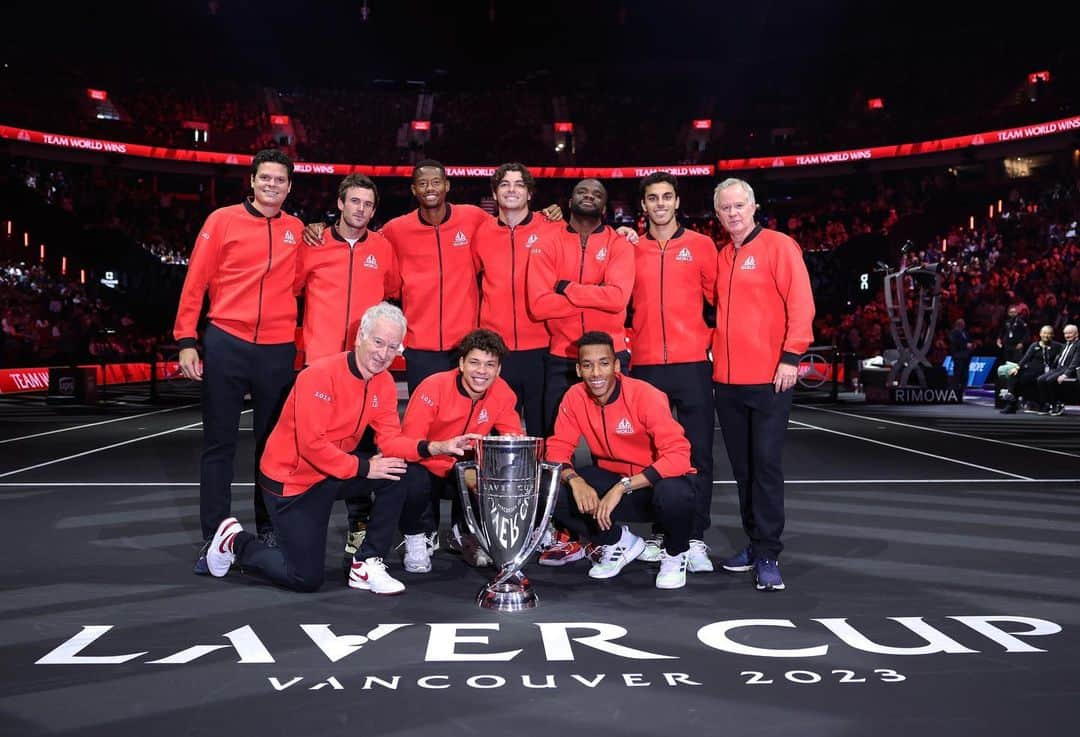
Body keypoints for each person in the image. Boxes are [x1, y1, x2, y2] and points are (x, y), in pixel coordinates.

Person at [202, 303, 475, 595]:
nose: (383, 354)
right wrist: (366, 467)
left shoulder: (382, 382)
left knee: (403, 474)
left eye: (392, 347)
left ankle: (367, 562)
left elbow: (391, 440)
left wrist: (437, 446)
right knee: (304, 578)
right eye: (378, 342)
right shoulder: (318, 376)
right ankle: (234, 541)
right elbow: (312, 446)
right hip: (292, 482)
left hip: (332, 472)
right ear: (360, 336)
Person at [174, 149, 304, 573]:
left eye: (279, 180)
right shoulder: (222, 220)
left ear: (289, 186)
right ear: (252, 180)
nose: (272, 185)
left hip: (277, 347)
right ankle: (214, 536)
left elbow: (305, 282)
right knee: (219, 444)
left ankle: (269, 530)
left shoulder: (297, 230)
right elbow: (196, 279)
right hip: (227, 341)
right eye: (265, 178)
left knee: (273, 448)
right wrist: (186, 339)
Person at [711, 177, 814, 592]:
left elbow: (801, 303)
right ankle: (754, 543)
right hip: (728, 382)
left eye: (739, 205)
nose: (733, 213)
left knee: (766, 467)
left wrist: (792, 355)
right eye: (725, 208)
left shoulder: (780, 246)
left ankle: (769, 552)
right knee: (743, 470)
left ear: (753, 207)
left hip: (770, 378)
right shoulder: (722, 255)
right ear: (718, 215)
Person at [294, 173, 396, 564]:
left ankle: (358, 525)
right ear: (339, 203)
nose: (361, 210)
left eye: (368, 204)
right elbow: (293, 289)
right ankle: (304, 519)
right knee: (316, 443)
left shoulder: (384, 249)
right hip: (319, 366)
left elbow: (391, 288)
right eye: (355, 201)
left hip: (363, 370)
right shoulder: (313, 243)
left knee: (363, 447)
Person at [544, 332, 696, 590]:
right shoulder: (574, 396)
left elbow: (680, 456)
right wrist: (576, 480)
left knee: (675, 492)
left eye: (604, 363)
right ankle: (619, 542)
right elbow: (556, 448)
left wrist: (623, 486)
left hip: (651, 486)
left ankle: (675, 553)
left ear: (616, 365)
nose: (596, 373)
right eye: (588, 365)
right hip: (613, 485)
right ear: (579, 370)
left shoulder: (645, 395)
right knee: (551, 487)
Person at [627, 172, 718, 572]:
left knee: (698, 453)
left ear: (677, 202)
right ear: (643, 205)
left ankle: (695, 537)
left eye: (666, 197)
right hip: (645, 364)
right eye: (652, 198)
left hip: (692, 363)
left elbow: (720, 302)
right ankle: (663, 534)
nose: (660, 204)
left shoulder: (701, 246)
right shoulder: (628, 248)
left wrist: (707, 341)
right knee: (652, 454)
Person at [399, 329, 523, 571]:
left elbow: (513, 441)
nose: (481, 371)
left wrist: (494, 472)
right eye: (474, 362)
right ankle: (417, 536)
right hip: (428, 464)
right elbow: (409, 445)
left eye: (490, 365)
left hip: (467, 469)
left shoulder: (503, 392)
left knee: (501, 469)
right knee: (409, 474)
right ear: (461, 364)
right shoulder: (432, 387)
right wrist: (455, 469)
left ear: (498, 370)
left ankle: (467, 533)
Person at [526, 178, 635, 435]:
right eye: (582, 192)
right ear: (569, 202)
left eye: (597, 194)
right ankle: (563, 478)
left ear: (605, 207)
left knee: (618, 435)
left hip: (612, 353)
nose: (589, 196)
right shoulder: (546, 243)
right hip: (562, 356)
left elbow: (618, 299)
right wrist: (598, 296)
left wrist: (567, 288)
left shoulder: (619, 244)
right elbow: (539, 306)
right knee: (556, 438)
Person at [472, 163, 563, 436]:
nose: (512, 190)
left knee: (543, 433)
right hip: (498, 352)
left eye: (519, 185)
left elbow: (589, 241)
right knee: (500, 436)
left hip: (542, 347)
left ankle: (546, 481)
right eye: (504, 184)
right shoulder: (481, 233)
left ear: (530, 194)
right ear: (494, 193)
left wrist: (624, 232)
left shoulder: (553, 228)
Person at [1000, 325, 1060, 414]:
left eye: (1049, 333)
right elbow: (1025, 359)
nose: (1046, 335)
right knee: (1014, 374)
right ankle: (1011, 402)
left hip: (1046, 372)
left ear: (1052, 335)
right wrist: (1017, 368)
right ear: (1040, 334)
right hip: (1032, 370)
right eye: (1044, 333)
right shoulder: (1034, 345)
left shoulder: (1058, 346)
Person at [1038, 324, 1079, 416]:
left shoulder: (1078, 345)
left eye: (1070, 333)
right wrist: (1052, 369)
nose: (1067, 335)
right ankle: (1047, 404)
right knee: (1040, 379)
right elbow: (1059, 359)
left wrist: (1065, 375)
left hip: (1068, 369)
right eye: (1065, 333)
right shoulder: (1065, 345)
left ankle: (1057, 404)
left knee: (1050, 380)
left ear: (1076, 334)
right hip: (1059, 368)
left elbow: (1075, 363)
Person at [948, 318, 974, 391]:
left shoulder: (965, 333)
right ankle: (955, 388)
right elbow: (955, 342)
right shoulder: (953, 332)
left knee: (965, 373)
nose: (963, 325)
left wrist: (972, 345)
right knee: (957, 372)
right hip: (958, 355)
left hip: (966, 355)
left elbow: (969, 341)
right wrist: (966, 345)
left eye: (963, 323)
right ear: (958, 324)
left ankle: (964, 387)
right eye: (961, 323)